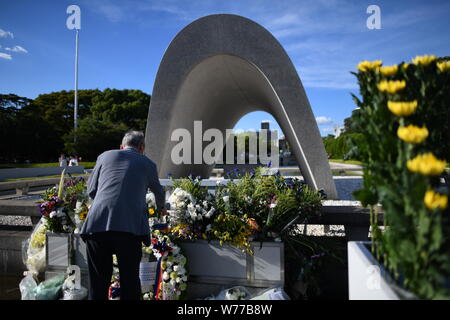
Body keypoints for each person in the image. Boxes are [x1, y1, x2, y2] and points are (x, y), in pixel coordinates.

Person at [80, 131, 166, 300]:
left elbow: (91, 190)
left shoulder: (104, 156)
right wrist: (161, 208)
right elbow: (159, 192)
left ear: (121, 147)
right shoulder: (148, 163)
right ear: (142, 148)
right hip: (129, 229)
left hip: (96, 226)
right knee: (130, 281)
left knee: (97, 283)